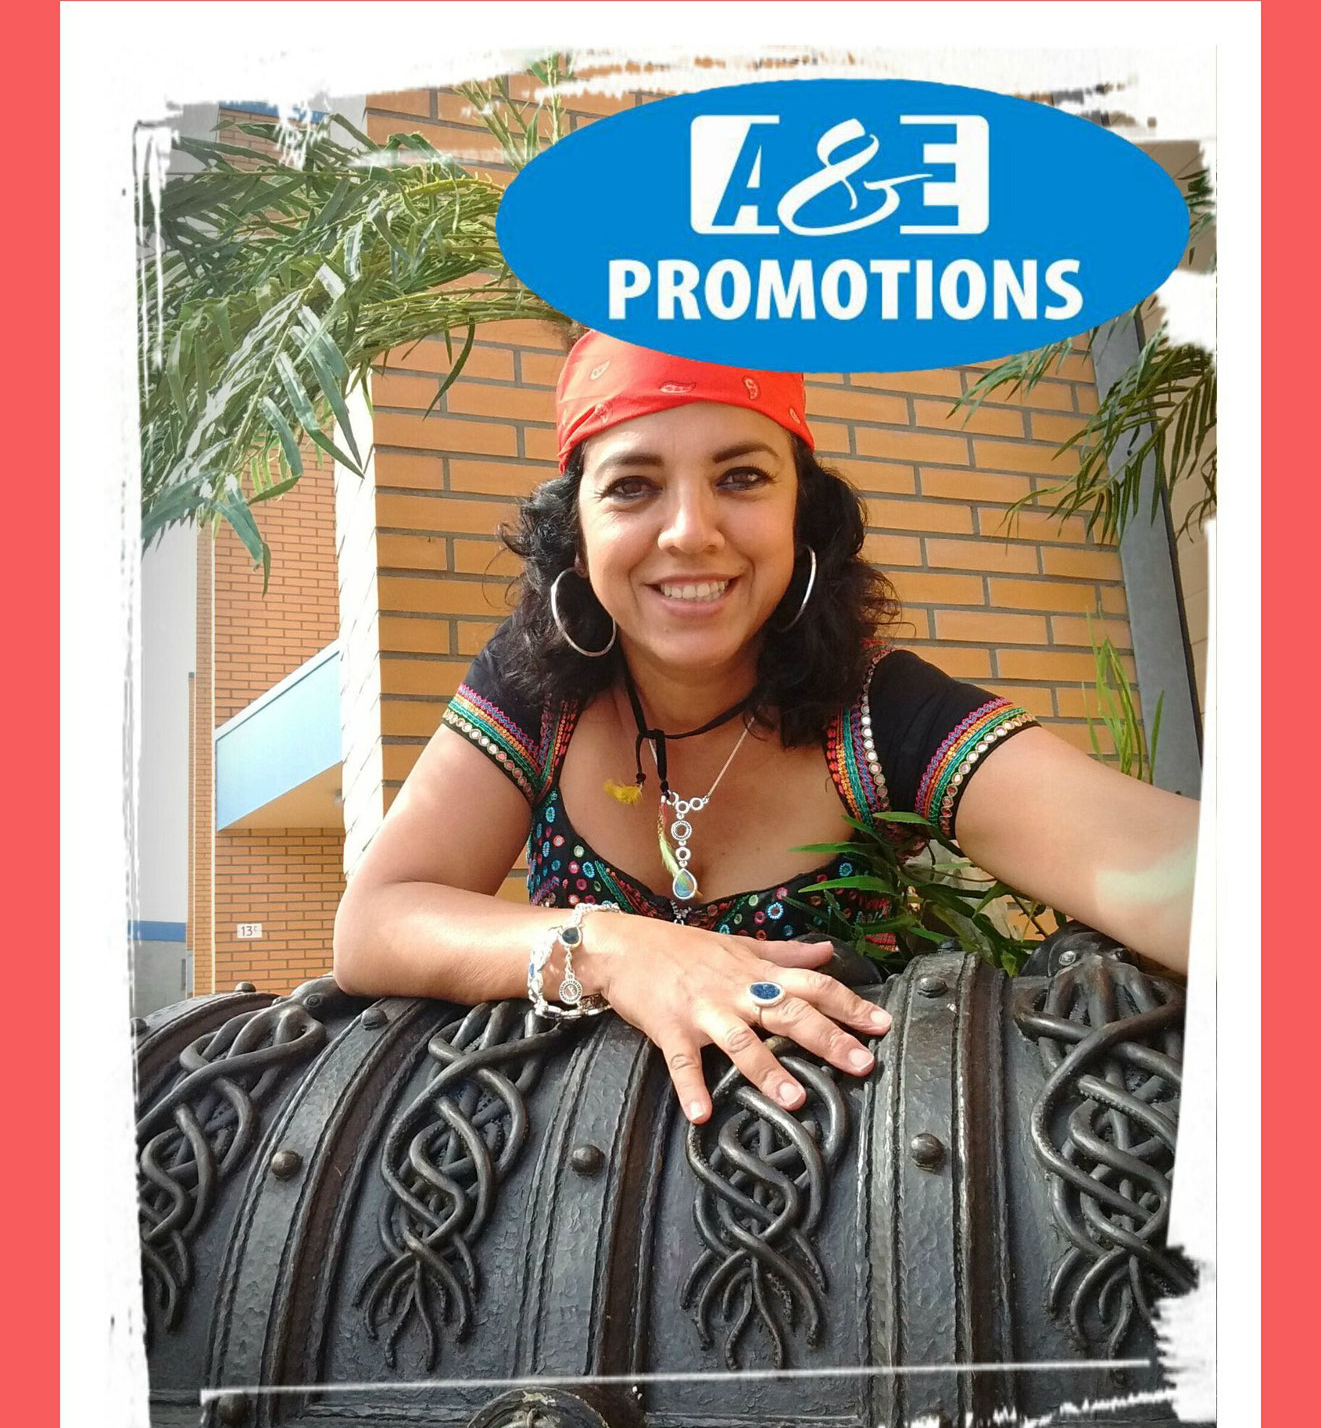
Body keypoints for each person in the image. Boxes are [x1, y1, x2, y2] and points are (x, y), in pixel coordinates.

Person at [334, 334, 1199, 1125]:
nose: (689, 533)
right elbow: (375, 922)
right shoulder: (535, 693)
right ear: (577, 536)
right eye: (632, 486)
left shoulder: (882, 713)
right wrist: (606, 947)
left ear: (802, 514)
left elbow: (1197, 883)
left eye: (740, 477)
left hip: (835, 1180)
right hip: (565, 1175)